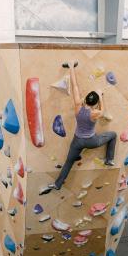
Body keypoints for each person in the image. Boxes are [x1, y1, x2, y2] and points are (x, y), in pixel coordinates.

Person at [40, 62, 117, 195]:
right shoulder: (95, 113)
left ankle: (57, 184)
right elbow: (103, 110)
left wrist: (71, 67)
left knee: (68, 162)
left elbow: (75, 86)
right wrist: (101, 96)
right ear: (95, 103)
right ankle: (109, 160)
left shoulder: (78, 106)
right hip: (91, 141)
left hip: (77, 141)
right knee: (113, 135)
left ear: (85, 99)